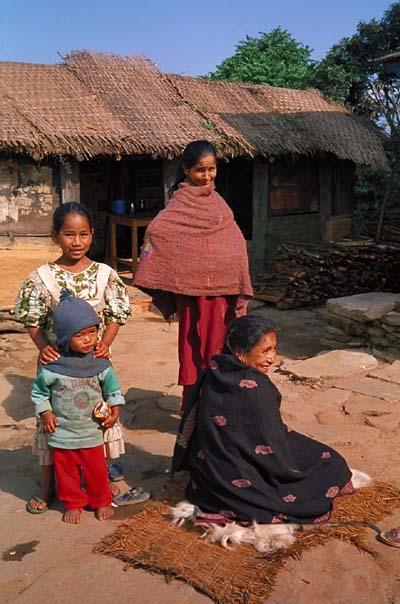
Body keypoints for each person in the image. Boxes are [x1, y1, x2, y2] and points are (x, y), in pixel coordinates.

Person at [171, 316, 355, 525]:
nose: (272, 358)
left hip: (209, 474)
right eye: (265, 351)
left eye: (274, 349)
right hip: (240, 470)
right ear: (241, 352)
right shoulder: (257, 389)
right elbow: (272, 447)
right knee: (331, 462)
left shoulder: (213, 370)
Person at [15, 202, 131, 513]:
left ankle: (106, 479)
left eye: (83, 234)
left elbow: (116, 313)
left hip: (93, 365)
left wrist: (105, 343)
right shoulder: (41, 277)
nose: (76, 242)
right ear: (55, 236)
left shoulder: (105, 274)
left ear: (93, 234)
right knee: (52, 425)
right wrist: (42, 347)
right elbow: (32, 319)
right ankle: (49, 482)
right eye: (68, 234)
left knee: (99, 417)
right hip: (56, 369)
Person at [134, 140, 253, 408]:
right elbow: (157, 232)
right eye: (201, 170)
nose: (207, 176)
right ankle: (194, 405)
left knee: (221, 346)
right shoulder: (179, 203)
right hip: (190, 295)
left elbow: (234, 241)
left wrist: (232, 271)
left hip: (222, 294)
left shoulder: (219, 203)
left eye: (212, 169)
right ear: (186, 169)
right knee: (192, 348)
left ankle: (218, 404)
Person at [31, 291, 123, 523]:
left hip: (91, 431)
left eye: (92, 332)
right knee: (67, 474)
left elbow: (113, 390)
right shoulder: (52, 366)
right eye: (79, 335)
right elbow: (39, 393)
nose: (88, 340)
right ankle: (73, 503)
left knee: (97, 471)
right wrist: (46, 412)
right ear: (63, 337)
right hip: (62, 434)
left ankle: (101, 500)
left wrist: (115, 411)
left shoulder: (100, 362)